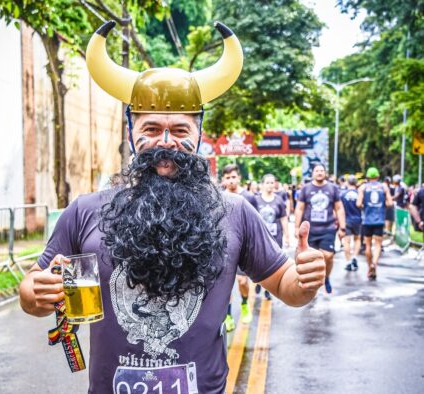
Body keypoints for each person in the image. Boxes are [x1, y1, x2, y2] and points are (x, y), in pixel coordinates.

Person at [18, 21, 326, 394]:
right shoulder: (85, 211)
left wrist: (306, 280)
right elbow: (32, 287)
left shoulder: (235, 212)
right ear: (131, 131)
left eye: (180, 131)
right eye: (150, 129)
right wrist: (35, 294)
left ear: (199, 134)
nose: (165, 143)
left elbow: (285, 286)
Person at [295, 163, 346, 294]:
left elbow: (339, 208)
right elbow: (300, 208)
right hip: (310, 230)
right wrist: (296, 227)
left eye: (322, 170)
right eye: (317, 170)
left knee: (328, 256)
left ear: (325, 173)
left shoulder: (332, 188)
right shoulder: (306, 189)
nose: (319, 172)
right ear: (313, 173)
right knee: (308, 258)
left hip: (328, 228)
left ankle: (326, 277)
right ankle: (310, 283)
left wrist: (342, 226)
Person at [221, 164, 258, 330]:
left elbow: (256, 223)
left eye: (233, 177)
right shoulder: (218, 197)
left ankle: (244, 305)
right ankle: (227, 315)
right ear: (223, 180)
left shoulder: (249, 197)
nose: (231, 180)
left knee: (243, 281)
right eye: (228, 178)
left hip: (244, 247)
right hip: (224, 249)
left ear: (239, 178)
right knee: (225, 285)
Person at [254, 174, 290, 300]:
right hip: (260, 238)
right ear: (262, 184)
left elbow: (284, 218)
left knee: (272, 264)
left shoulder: (279, 200)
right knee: (258, 263)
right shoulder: (256, 200)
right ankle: (258, 281)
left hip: (275, 237)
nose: (270, 185)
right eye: (267, 183)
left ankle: (268, 289)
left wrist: (287, 235)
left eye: (272, 182)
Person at [356, 167, 393, 280]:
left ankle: (369, 267)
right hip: (379, 220)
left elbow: (358, 204)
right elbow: (390, 203)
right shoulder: (383, 186)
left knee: (367, 245)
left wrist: (365, 206)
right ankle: (374, 265)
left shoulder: (363, 187)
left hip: (367, 220)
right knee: (377, 245)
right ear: (377, 177)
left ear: (367, 177)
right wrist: (382, 205)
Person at [340, 175, 362, 271]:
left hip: (346, 219)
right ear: (356, 183)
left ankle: (348, 261)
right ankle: (355, 257)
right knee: (357, 239)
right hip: (358, 219)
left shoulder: (342, 194)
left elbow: (339, 208)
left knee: (347, 241)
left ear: (347, 183)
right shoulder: (359, 194)